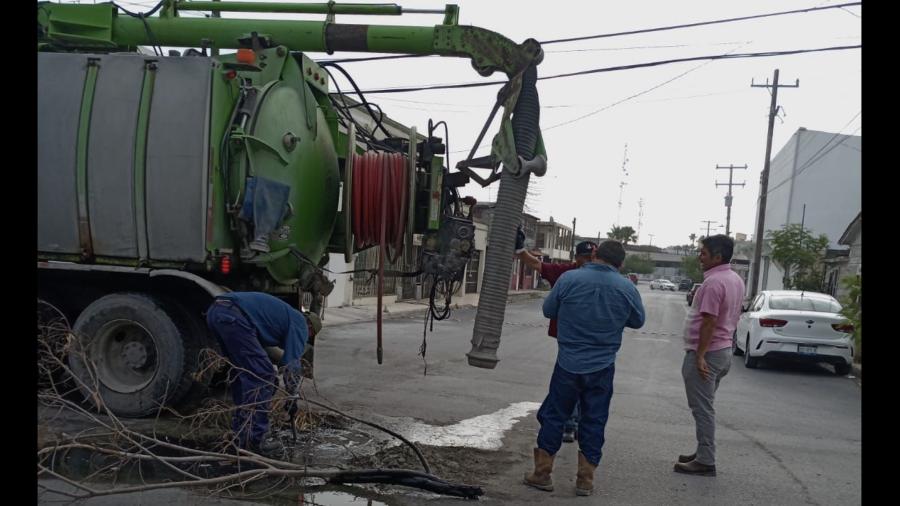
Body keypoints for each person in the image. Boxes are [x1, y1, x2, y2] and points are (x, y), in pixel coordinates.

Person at [524, 240, 645, 496]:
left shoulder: (569, 279)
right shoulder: (627, 287)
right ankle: (585, 480)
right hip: (603, 366)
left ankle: (542, 474)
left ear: (595, 255)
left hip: (568, 362)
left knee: (554, 415)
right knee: (594, 419)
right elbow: (637, 320)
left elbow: (549, 311)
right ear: (621, 263)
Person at [205, 291, 321, 457]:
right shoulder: (300, 323)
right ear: (311, 329)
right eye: (309, 336)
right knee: (264, 377)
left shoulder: (282, 316)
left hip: (217, 312)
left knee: (242, 374)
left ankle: (241, 433)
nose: (306, 339)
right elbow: (292, 364)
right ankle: (257, 438)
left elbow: (262, 352)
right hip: (234, 316)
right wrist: (292, 396)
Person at [515, 226, 596, 443]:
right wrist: (520, 249)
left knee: (577, 382)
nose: (587, 262)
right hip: (569, 338)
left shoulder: (600, 277)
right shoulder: (566, 273)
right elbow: (536, 264)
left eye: (591, 258)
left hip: (592, 338)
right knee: (573, 381)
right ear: (576, 258)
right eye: (584, 257)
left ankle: (572, 423)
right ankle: (572, 423)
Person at [674, 234, 745, 477]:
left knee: (703, 409)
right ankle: (702, 451)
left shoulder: (714, 283)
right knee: (705, 406)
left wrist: (700, 356)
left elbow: (709, 321)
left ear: (718, 256)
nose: (699, 257)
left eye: (703, 253)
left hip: (708, 354)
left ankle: (706, 459)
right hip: (722, 351)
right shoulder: (734, 278)